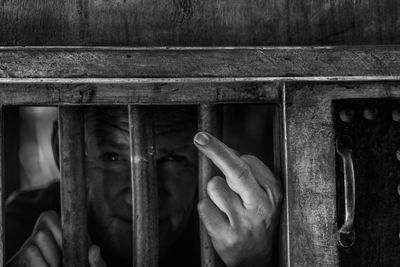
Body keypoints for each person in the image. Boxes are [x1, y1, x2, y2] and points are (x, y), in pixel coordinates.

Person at [5, 106, 282, 267]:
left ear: (207, 162)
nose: (142, 198)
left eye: (173, 158)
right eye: (112, 157)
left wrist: (254, 262)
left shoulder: (239, 232)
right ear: (64, 151)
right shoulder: (26, 229)